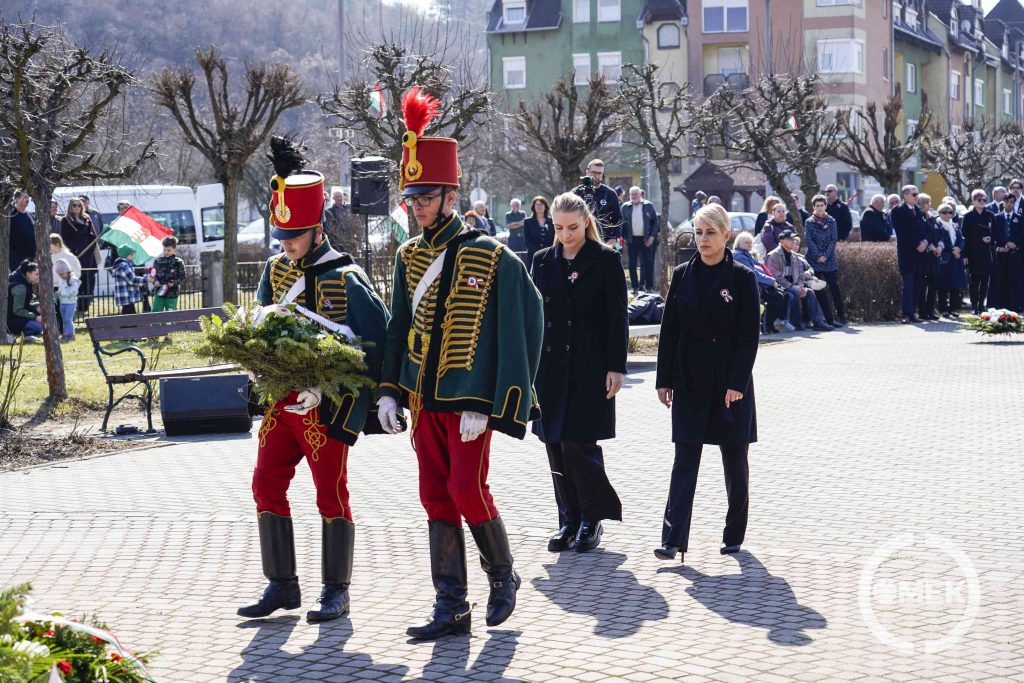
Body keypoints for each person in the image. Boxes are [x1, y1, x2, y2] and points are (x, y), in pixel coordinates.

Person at [376, 88, 543, 640]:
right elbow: (399, 327)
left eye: (425, 196)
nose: (417, 205)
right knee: (434, 496)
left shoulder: (490, 255)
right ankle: (451, 604)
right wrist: (388, 390)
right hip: (423, 402)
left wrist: (491, 401)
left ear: (449, 194)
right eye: (411, 198)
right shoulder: (406, 257)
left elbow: (522, 324)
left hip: (466, 403)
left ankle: (503, 575)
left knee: (469, 491)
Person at [238, 136, 390, 624]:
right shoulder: (274, 270)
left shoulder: (347, 279)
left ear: (317, 229)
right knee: (265, 485)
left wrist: (330, 385)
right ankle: (281, 585)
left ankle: (335, 590)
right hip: (281, 402)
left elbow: (374, 342)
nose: (286, 245)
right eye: (281, 236)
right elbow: (260, 323)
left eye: (295, 235)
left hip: (327, 408)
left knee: (331, 494)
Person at [654, 204, 758, 564]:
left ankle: (733, 535)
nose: (703, 239)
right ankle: (672, 539)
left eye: (710, 233)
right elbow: (670, 331)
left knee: (735, 460)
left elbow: (749, 336)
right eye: (698, 232)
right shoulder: (682, 275)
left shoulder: (743, 278)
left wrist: (737, 383)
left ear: (725, 235)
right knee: (685, 457)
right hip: (689, 378)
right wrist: (663, 379)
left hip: (730, 383)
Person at [531, 192, 626, 554]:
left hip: (590, 365)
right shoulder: (541, 260)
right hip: (549, 368)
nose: (566, 234)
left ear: (586, 221)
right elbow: (532, 313)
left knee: (578, 445)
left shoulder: (605, 260)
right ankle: (567, 518)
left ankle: (591, 517)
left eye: (573, 227)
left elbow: (617, 315)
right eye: (558, 227)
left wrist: (617, 366)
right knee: (553, 445)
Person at [764, 231, 832, 331]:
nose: (793, 241)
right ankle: (796, 322)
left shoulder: (795, 256)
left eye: (793, 239)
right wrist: (792, 287)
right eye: (790, 239)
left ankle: (819, 322)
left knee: (809, 292)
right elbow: (776, 277)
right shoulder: (773, 256)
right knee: (794, 293)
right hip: (779, 287)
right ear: (782, 242)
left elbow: (800, 275)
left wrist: (801, 287)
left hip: (793, 286)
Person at [733, 231, 794, 333]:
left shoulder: (747, 255)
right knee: (778, 297)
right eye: (746, 243)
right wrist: (772, 281)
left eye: (750, 242)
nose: (749, 245)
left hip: (757, 285)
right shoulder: (739, 256)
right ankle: (768, 325)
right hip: (747, 288)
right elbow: (752, 274)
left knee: (785, 295)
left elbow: (759, 270)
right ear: (739, 244)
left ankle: (772, 324)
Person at [804, 194, 846, 327]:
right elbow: (809, 240)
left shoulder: (832, 221)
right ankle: (818, 318)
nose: (820, 208)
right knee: (816, 289)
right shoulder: (809, 222)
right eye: (817, 206)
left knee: (834, 287)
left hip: (829, 259)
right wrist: (818, 256)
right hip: (813, 259)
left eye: (822, 205)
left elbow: (834, 240)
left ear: (826, 206)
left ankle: (840, 315)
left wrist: (825, 256)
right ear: (813, 207)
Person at [891, 185, 930, 324]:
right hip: (907, 253)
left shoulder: (919, 211)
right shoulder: (897, 211)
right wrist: (917, 244)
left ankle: (913, 312)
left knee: (918, 285)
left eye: (917, 194)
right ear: (905, 195)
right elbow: (902, 232)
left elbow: (927, 229)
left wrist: (925, 242)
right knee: (908, 285)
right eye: (914, 194)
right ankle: (906, 314)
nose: (916, 197)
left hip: (920, 254)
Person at [59, 197, 99, 316]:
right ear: (70, 207)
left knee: (86, 281)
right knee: (74, 279)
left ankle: (83, 307)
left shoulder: (87, 219)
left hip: (87, 255)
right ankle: (73, 306)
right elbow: (64, 239)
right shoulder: (66, 221)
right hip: (74, 255)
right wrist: (73, 251)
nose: (77, 207)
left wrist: (90, 249)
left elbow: (93, 236)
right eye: (74, 205)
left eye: (79, 205)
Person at [573, 159, 622, 244]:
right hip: (580, 240)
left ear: (603, 174)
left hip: (604, 240)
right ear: (587, 172)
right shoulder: (576, 193)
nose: (596, 175)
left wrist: (614, 237)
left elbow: (618, 218)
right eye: (593, 172)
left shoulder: (610, 193)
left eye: (599, 173)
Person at [962, 189, 996, 314]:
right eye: (979, 200)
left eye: (984, 200)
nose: (982, 202)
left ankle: (982, 304)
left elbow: (996, 233)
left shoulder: (990, 215)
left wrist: (990, 238)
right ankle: (974, 305)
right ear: (973, 201)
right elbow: (964, 237)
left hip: (987, 253)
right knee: (974, 282)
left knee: (985, 281)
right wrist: (965, 255)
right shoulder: (968, 217)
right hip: (973, 253)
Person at [620, 186, 659, 293]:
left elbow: (655, 222)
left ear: (640, 195)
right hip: (631, 239)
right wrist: (623, 238)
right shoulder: (625, 207)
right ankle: (635, 287)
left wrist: (652, 237)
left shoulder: (649, 206)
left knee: (648, 263)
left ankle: (649, 287)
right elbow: (621, 223)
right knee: (632, 264)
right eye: (632, 194)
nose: (634, 196)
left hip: (646, 239)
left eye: (636, 194)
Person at [934, 203, 968, 318]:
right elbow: (939, 239)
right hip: (945, 258)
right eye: (945, 212)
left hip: (956, 258)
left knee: (955, 285)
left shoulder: (955, 225)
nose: (948, 215)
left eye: (950, 212)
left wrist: (959, 248)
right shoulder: (937, 224)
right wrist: (952, 249)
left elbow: (962, 239)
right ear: (939, 213)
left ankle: (954, 308)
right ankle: (943, 309)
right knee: (943, 285)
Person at [992, 193, 1024, 310]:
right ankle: (1000, 304)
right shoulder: (996, 217)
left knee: (1015, 279)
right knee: (1001, 278)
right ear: (1003, 202)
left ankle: (1016, 305)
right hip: (1001, 253)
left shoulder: (1020, 218)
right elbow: (995, 234)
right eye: (1007, 202)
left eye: (1012, 202)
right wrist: (1005, 243)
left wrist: (1015, 244)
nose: (1009, 204)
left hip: (1016, 254)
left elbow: (1022, 234)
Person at [917, 193, 941, 320]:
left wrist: (939, 247)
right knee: (923, 286)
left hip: (934, 257)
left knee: (933, 286)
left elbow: (937, 234)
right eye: (927, 203)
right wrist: (930, 246)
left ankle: (930, 311)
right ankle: (922, 312)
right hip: (925, 257)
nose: (930, 205)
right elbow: (922, 235)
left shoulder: (932, 218)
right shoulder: (919, 218)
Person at [149, 235, 187, 312]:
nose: (166, 252)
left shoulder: (178, 262)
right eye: (164, 250)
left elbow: (182, 277)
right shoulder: (158, 261)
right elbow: (153, 274)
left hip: (172, 294)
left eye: (169, 250)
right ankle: (155, 325)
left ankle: (171, 324)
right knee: (155, 313)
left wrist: (174, 283)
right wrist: (155, 282)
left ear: (174, 249)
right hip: (159, 293)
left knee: (170, 315)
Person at [6, 260, 42, 340]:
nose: (39, 276)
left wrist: (36, 308)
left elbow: (24, 305)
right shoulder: (20, 287)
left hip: (16, 317)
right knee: (37, 328)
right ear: (28, 274)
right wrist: (35, 317)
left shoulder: (26, 283)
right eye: (36, 274)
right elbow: (18, 310)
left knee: (38, 305)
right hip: (11, 320)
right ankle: (14, 334)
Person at [110, 245, 146, 315]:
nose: (133, 256)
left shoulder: (125, 264)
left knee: (128, 315)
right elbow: (132, 280)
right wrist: (145, 279)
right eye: (132, 254)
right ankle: (128, 326)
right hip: (127, 296)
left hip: (126, 296)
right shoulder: (123, 266)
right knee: (130, 316)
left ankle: (127, 326)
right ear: (126, 255)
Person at [524, 195, 554, 269]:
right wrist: (538, 253)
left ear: (545, 206)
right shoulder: (528, 222)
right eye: (537, 204)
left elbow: (554, 238)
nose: (539, 206)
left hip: (549, 256)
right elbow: (527, 241)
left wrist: (547, 252)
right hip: (533, 257)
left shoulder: (552, 221)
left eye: (541, 204)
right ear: (533, 207)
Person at [54, 259, 80, 343]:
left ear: (67, 271)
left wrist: (62, 293)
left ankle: (71, 335)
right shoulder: (62, 280)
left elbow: (74, 291)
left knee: (68, 319)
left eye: (62, 274)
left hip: (71, 303)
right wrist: (58, 293)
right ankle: (65, 335)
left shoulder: (73, 280)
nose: (61, 276)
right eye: (59, 274)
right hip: (63, 302)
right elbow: (60, 288)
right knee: (64, 319)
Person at [9, 191, 36, 271]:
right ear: (16, 199)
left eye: (27, 197)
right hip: (17, 259)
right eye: (24, 197)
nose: (27, 199)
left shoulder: (30, 215)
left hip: (31, 257)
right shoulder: (11, 215)